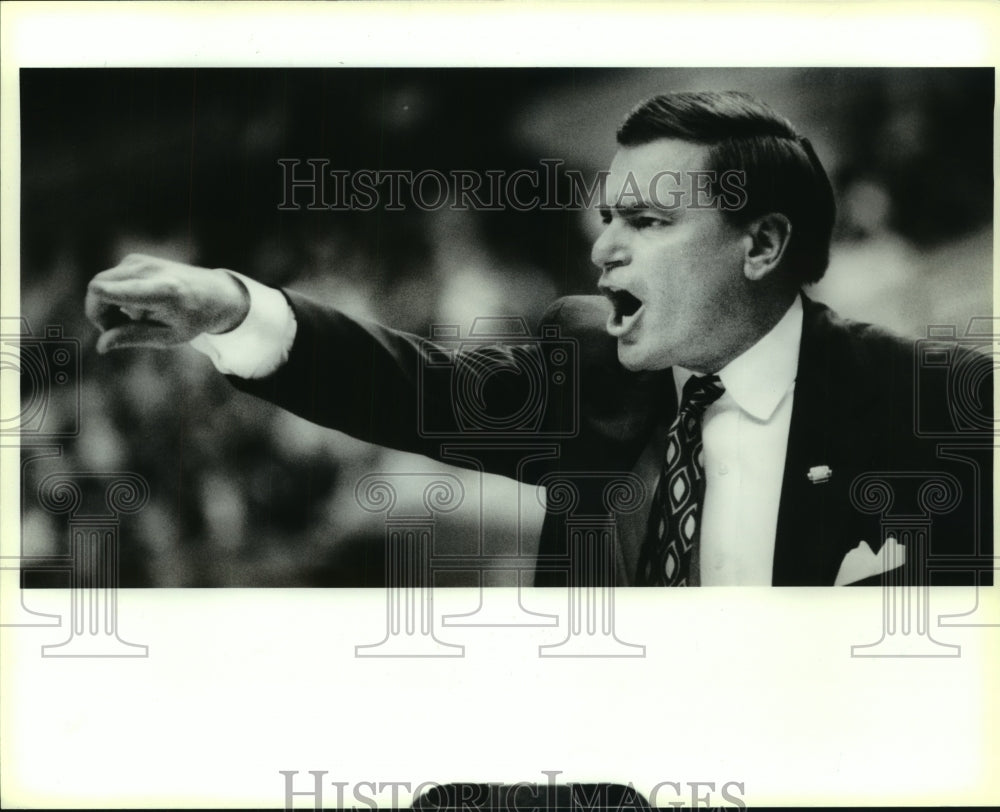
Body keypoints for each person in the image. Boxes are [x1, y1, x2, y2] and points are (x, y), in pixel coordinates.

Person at [85, 91, 993, 587]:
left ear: (762, 245)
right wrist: (236, 310)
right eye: (609, 218)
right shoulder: (589, 368)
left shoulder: (938, 405)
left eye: (645, 221)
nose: (604, 247)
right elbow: (411, 385)